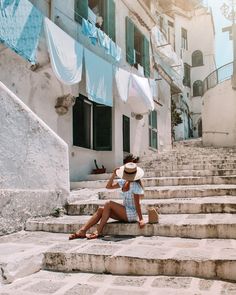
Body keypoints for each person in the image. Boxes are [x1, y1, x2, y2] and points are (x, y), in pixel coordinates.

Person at [69, 162, 145, 240]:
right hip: (125, 212)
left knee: (108, 203)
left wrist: (141, 219)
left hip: (131, 214)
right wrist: (113, 175)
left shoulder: (136, 186)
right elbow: (108, 187)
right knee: (101, 209)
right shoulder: (123, 182)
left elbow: (137, 204)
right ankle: (82, 231)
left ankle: (98, 231)